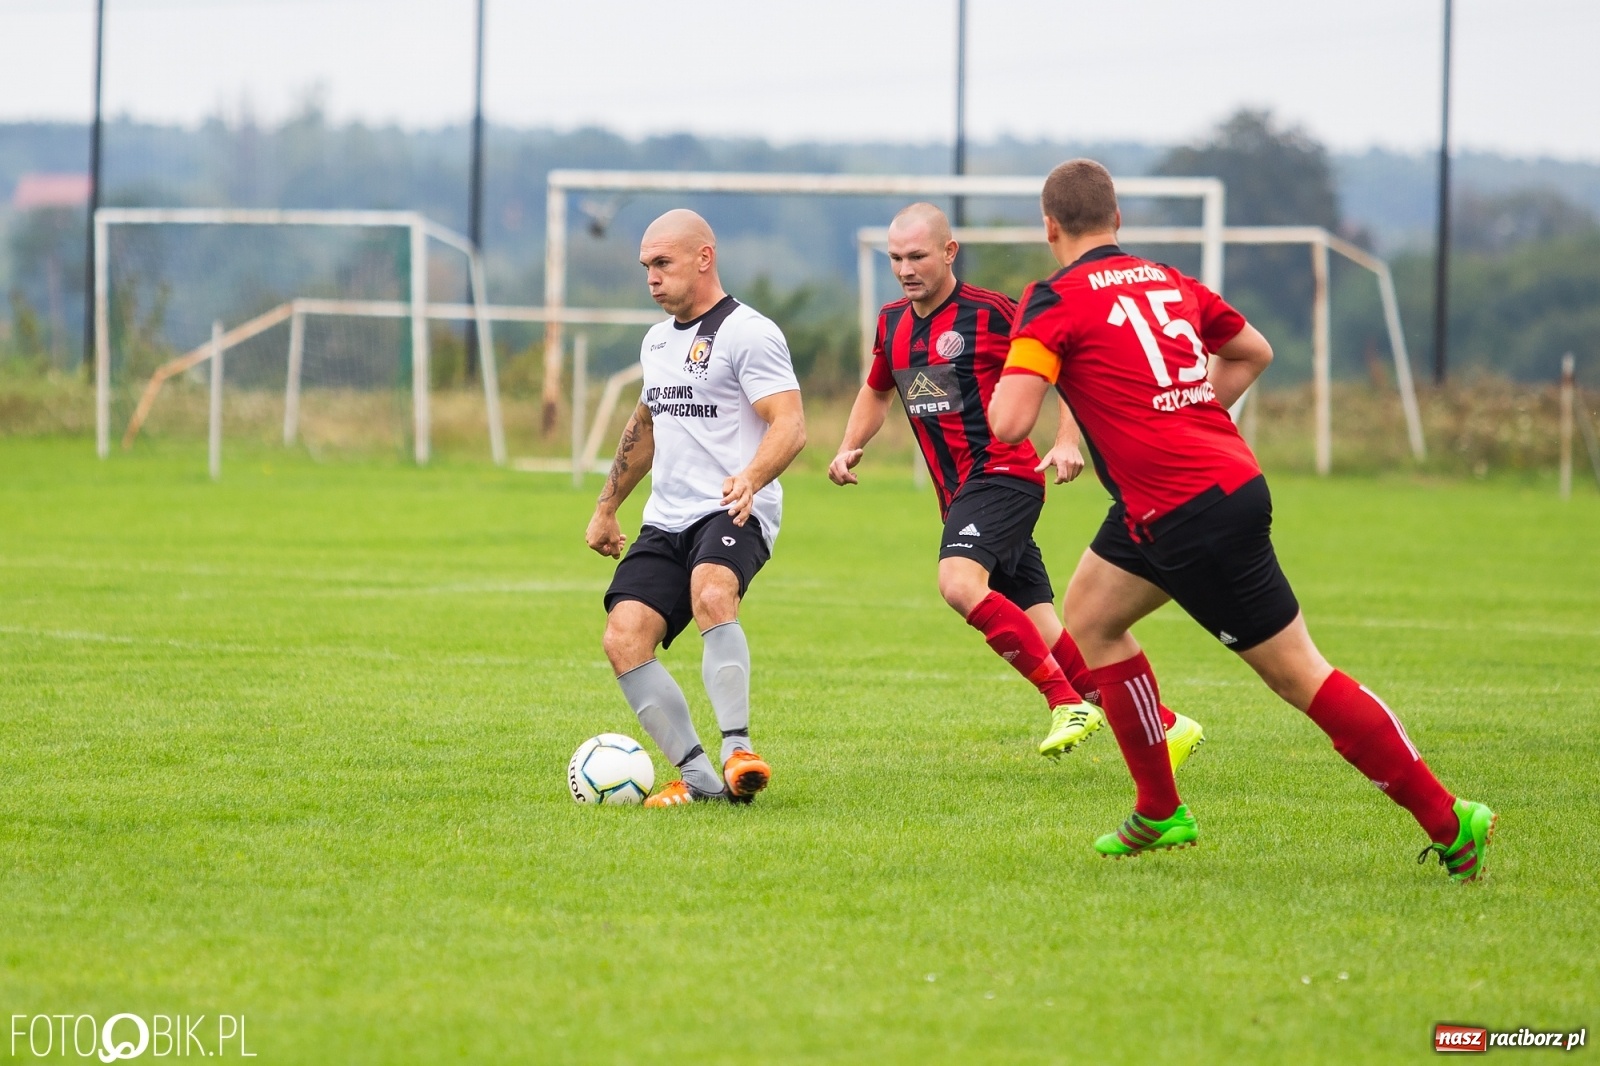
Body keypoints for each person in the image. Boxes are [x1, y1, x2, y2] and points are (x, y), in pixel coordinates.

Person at [989, 159, 1495, 880]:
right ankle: (1160, 810)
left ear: (1049, 227)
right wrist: (1182, 412)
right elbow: (1253, 350)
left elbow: (1009, 421)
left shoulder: (1053, 299)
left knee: (1299, 676)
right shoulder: (1165, 278)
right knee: (1093, 615)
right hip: (1201, 486)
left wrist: (1031, 371)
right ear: (1118, 220)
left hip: (1185, 509)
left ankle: (1452, 820)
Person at [828, 202, 1203, 766]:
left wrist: (1068, 438)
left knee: (958, 583)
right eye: (896, 258)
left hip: (1003, 477)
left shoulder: (992, 313)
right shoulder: (892, 323)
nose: (906, 269)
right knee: (1041, 622)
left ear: (949, 252)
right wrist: (848, 444)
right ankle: (1167, 725)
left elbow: (1068, 365)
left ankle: (1064, 702)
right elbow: (877, 389)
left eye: (918, 256)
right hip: (959, 494)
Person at [586, 209, 806, 808]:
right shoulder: (656, 342)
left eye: (663, 263)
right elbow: (646, 425)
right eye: (646, 268)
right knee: (623, 637)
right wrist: (607, 508)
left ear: (703, 258)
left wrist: (752, 478)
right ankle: (702, 780)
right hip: (667, 516)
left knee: (712, 592)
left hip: (732, 507)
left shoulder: (748, 332)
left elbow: (789, 423)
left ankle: (739, 751)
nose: (651, 278)